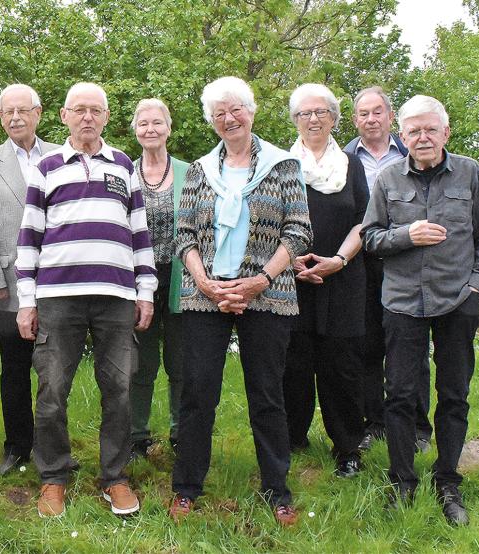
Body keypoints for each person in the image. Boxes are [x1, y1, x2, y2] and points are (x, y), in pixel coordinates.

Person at [169, 77, 312, 527]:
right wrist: (207, 284)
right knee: (197, 395)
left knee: (267, 396)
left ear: (252, 111)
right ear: (211, 120)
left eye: (236, 110)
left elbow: (299, 231)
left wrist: (259, 281)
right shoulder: (198, 170)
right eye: (219, 113)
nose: (229, 119)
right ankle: (187, 488)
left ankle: (278, 490)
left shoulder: (283, 165)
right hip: (205, 295)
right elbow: (185, 234)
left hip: (267, 295)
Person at [15, 82, 158, 518]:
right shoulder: (46, 166)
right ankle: (53, 478)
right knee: (53, 391)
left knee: (118, 390)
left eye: (96, 110)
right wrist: (26, 299)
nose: (87, 117)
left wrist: (146, 290)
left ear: (107, 117)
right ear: (63, 116)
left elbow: (139, 232)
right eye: (79, 110)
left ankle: (114, 477)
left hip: (116, 296)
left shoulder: (123, 166)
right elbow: (29, 237)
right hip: (58, 298)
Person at [361, 95, 479, 525]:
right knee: (400, 396)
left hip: (457, 301)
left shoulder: (469, 173)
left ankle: (448, 481)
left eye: (430, 129)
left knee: (454, 394)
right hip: (403, 303)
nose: (422, 137)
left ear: (445, 132)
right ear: (402, 136)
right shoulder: (387, 180)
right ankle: (402, 481)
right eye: (413, 130)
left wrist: (477, 285)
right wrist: (407, 234)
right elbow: (370, 238)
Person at [0, 84, 60, 476]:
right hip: (8, 281)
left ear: (39, 113)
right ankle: (17, 445)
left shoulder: (63, 154)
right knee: (15, 368)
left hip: (58, 279)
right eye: (8, 112)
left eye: (23, 110)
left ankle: (53, 445)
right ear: (0, 117)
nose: (15, 118)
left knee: (56, 367)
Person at [282, 84, 368, 477]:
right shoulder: (281, 165)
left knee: (342, 368)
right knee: (293, 365)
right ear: (295, 120)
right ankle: (292, 438)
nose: (313, 119)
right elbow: (269, 219)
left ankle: (347, 448)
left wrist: (337, 260)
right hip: (291, 278)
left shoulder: (352, 165)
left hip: (342, 278)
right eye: (304, 113)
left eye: (321, 112)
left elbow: (365, 220)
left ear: (334, 118)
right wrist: (291, 260)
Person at [345, 86, 433, 453]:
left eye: (377, 111)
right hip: (362, 262)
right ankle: (376, 423)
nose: (371, 119)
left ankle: (417, 426)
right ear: (354, 120)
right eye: (363, 113)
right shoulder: (344, 158)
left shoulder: (412, 150)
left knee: (411, 345)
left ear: (390, 116)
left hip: (409, 262)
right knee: (367, 346)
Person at [128, 98, 189, 462]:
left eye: (157, 123)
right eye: (143, 123)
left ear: (169, 128)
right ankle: (136, 435)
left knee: (180, 363)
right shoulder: (123, 173)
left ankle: (181, 433)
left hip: (182, 278)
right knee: (141, 362)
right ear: (135, 129)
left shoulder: (190, 171)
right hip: (138, 282)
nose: (150, 129)